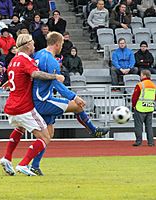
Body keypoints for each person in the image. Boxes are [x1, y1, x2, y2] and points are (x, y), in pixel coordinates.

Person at [30, 32, 110, 176]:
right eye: (61, 44)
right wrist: (74, 96)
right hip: (44, 100)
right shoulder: (51, 60)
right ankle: (93, 130)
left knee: (47, 135)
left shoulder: (39, 54)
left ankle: (34, 165)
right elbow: (57, 85)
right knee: (77, 106)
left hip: (37, 99)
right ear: (58, 44)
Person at [0, 34, 65, 176]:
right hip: (24, 106)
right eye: (33, 43)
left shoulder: (13, 60)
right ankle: (24, 164)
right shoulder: (25, 60)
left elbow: (17, 77)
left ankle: (7, 157)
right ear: (28, 45)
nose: (34, 46)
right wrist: (55, 76)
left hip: (11, 106)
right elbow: (35, 74)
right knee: (45, 137)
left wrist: (8, 82)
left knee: (20, 128)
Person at [132, 69, 156, 147]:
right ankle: (151, 142)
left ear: (144, 76)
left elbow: (135, 97)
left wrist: (134, 106)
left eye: (141, 75)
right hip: (149, 108)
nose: (140, 76)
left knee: (138, 126)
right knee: (149, 126)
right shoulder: (153, 85)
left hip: (140, 108)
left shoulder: (140, 85)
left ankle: (139, 142)